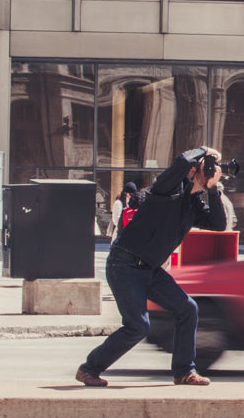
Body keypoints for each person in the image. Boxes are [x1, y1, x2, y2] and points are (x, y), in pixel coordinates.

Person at [76, 147, 227, 387]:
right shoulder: (168, 190)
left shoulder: (194, 204)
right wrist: (204, 151)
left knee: (188, 309)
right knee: (138, 326)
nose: (208, 172)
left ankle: (184, 371)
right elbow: (179, 161)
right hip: (124, 264)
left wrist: (213, 189)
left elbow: (219, 224)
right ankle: (89, 368)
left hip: (151, 270)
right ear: (193, 170)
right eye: (205, 169)